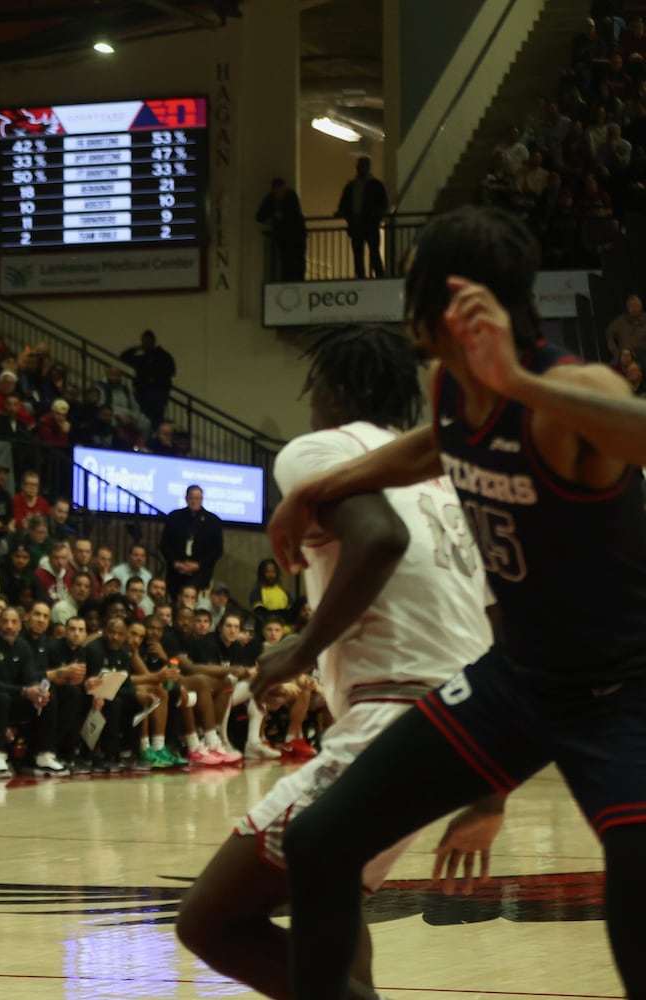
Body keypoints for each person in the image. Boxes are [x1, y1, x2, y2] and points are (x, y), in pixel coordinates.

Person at [266, 207, 646, 998]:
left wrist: (517, 382)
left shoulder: (571, 390)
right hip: (518, 680)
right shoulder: (448, 389)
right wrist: (325, 486)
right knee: (321, 842)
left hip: (620, 692)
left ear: (434, 307)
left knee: (640, 898)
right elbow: (438, 442)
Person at [175, 325, 495, 999]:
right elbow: (486, 621)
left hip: (397, 719)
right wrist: (489, 790)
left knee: (211, 922)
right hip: (472, 719)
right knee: (335, 894)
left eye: (313, 386)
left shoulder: (320, 449)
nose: (309, 402)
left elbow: (379, 537)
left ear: (338, 390)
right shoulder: (439, 474)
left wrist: (301, 645)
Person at [158, 485, 223, 596]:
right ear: (186, 499)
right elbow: (165, 544)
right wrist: (175, 563)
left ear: (202, 499)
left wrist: (198, 565)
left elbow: (217, 550)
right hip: (176, 572)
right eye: (192, 498)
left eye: (197, 498)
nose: (194, 501)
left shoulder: (213, 521)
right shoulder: (174, 517)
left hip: (201, 572)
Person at [335, 155, 389, 279]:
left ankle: (365, 277)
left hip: (362, 224)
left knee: (367, 253)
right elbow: (383, 204)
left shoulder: (353, 186)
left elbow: (344, 204)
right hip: (363, 225)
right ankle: (377, 276)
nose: (361, 168)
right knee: (367, 253)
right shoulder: (374, 185)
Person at [255, 177, 307, 282]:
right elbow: (259, 216)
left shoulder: (291, 196)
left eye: (280, 191)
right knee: (286, 261)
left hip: (297, 235)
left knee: (299, 260)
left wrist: (282, 216)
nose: (279, 194)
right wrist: (272, 217)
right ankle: (288, 280)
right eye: (276, 191)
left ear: (284, 188)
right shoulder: (270, 199)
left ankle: (300, 281)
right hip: (283, 237)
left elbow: (294, 214)